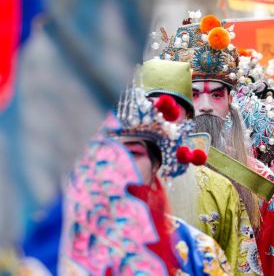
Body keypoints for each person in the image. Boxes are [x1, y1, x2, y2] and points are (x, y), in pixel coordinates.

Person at [159, 13, 274, 276]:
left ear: (230, 103)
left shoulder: (256, 178)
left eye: (216, 94)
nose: (206, 105)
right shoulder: (152, 169)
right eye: (194, 93)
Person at [59, 85, 231, 275]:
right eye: (103, 151)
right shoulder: (51, 249)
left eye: (133, 153)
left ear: (155, 165)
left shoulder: (198, 253)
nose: (121, 165)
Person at [141, 58, 260, 275]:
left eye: (169, 108)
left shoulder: (220, 190)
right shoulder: (109, 183)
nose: (158, 118)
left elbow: (241, 265)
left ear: (187, 116)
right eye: (148, 107)